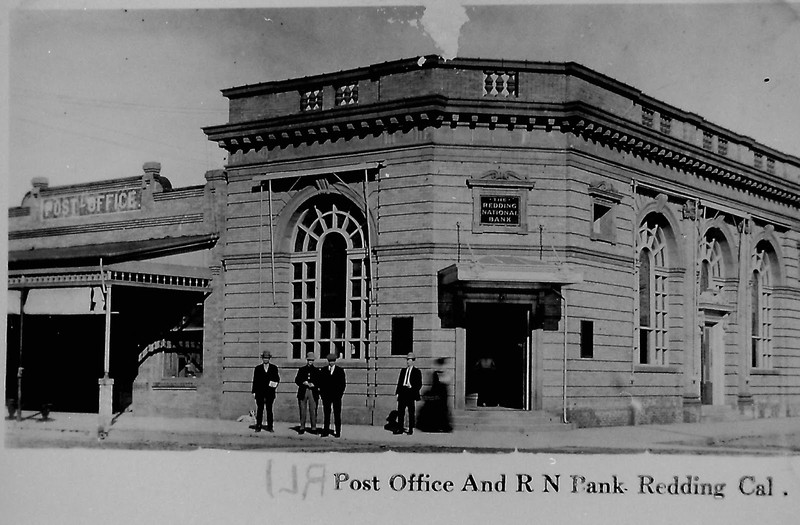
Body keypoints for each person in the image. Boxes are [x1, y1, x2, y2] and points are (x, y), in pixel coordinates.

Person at [417, 357, 452, 433]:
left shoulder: (443, 373)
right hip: (438, 393)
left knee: (441, 409)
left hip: (441, 393)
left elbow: (444, 382)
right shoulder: (437, 373)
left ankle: (442, 426)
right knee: (438, 410)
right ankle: (437, 426)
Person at [251, 350, 280, 432]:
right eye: (264, 358)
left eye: (267, 358)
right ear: (262, 358)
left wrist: (273, 384)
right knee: (260, 410)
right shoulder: (258, 368)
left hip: (270, 392)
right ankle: (258, 426)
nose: (265, 360)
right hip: (260, 392)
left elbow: (277, 379)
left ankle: (270, 427)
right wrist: (254, 391)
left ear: (269, 359)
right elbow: (255, 380)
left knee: (269, 410)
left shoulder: (274, 368)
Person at [394, 352, 422, 435]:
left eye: (409, 360)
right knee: (401, 412)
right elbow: (399, 382)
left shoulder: (417, 371)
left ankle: (410, 429)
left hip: (410, 393)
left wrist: (412, 388)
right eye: (407, 360)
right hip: (403, 392)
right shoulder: (403, 371)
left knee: (411, 412)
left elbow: (419, 384)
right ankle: (400, 428)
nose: (408, 362)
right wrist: (398, 392)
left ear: (413, 361)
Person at [319, 352, 346, 437]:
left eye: (333, 361)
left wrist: (340, 394)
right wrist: (322, 395)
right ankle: (326, 431)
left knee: (337, 414)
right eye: (330, 361)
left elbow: (343, 384)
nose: (331, 363)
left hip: (336, 396)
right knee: (326, 414)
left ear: (335, 361)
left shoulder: (340, 371)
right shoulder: (323, 370)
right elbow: (321, 383)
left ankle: (337, 431)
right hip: (326, 396)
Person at [294, 351, 320, 435]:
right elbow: (297, 380)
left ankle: (313, 427)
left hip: (312, 391)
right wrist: (303, 382)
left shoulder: (316, 371)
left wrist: (314, 384)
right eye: (309, 360)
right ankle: (302, 427)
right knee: (302, 409)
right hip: (303, 391)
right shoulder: (302, 370)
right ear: (307, 360)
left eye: (312, 360)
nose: (310, 362)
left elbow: (319, 381)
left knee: (313, 409)